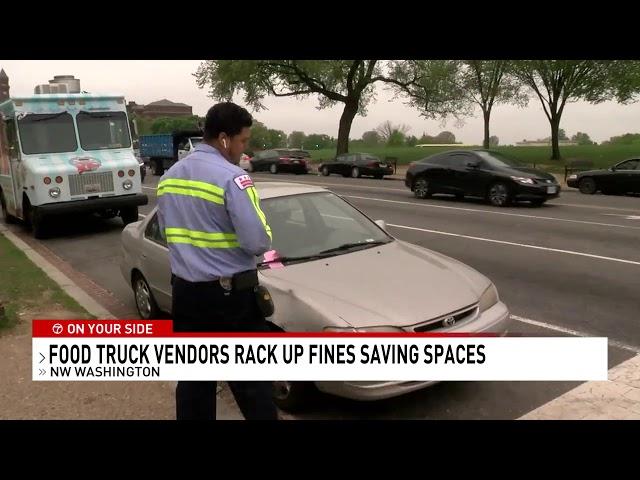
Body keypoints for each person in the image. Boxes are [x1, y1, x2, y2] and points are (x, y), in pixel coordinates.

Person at [156, 102, 278, 420]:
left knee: (195, 387)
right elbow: (256, 242)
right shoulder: (233, 179)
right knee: (255, 387)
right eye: (243, 141)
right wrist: (265, 229)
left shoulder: (169, 178)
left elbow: (171, 235)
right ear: (224, 138)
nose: (243, 148)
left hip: (186, 296)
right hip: (232, 300)